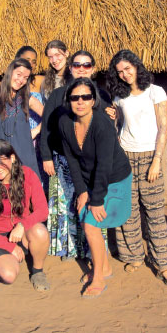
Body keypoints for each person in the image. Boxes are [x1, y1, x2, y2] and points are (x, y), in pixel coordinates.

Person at [105, 50, 167, 285]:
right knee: (129, 210)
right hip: (125, 155)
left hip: (149, 157)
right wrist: (111, 117)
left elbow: (163, 127)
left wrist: (157, 160)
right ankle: (134, 255)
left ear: (137, 66)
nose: (125, 74)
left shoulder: (155, 92)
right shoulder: (119, 96)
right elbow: (119, 125)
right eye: (120, 72)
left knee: (155, 213)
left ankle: (162, 263)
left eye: (128, 68)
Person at [59, 77, 132, 297]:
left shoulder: (102, 124)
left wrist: (97, 200)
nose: (80, 101)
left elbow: (104, 165)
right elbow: (71, 159)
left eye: (86, 97)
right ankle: (106, 267)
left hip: (114, 178)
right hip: (91, 180)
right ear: (69, 100)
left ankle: (99, 277)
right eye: (75, 97)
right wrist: (82, 191)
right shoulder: (65, 122)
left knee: (91, 224)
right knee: (85, 216)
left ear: (93, 100)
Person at [40, 50, 111, 260]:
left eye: (86, 65)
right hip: (62, 161)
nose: (81, 69)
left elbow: (108, 129)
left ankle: (92, 252)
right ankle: (71, 248)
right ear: (70, 68)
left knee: (92, 206)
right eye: (77, 65)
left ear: (93, 69)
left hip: (93, 163)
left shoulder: (103, 96)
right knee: (68, 205)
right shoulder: (57, 95)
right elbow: (46, 129)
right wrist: (46, 156)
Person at [0, 139, 50, 291]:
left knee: (40, 231)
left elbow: (43, 210)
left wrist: (22, 225)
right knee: (8, 276)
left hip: (21, 233)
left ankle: (37, 272)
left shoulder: (27, 174)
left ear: (12, 158)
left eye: (1, 163)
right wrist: (9, 247)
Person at [0, 58, 40, 178]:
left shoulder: (27, 99)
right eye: (19, 74)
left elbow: (50, 116)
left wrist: (36, 131)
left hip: (22, 155)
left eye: (25, 78)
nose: (21, 80)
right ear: (10, 72)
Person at [15, 46, 48, 189]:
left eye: (34, 61)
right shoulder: (12, 83)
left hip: (39, 133)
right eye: (27, 59)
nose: (31, 64)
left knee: (38, 174)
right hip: (20, 135)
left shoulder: (41, 81)